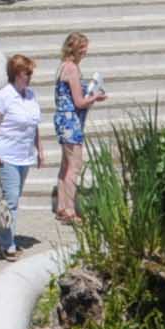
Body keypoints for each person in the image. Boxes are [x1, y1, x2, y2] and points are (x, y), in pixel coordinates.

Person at [0, 52, 43, 258]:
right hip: (6, 155)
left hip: (25, 155)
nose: (29, 76)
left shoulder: (31, 95)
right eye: (27, 73)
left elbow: (34, 125)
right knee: (11, 202)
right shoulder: (3, 96)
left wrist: (39, 149)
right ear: (16, 73)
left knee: (12, 199)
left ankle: (1, 238)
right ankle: (8, 244)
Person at [51, 30, 101, 225]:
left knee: (65, 165)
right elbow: (79, 102)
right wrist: (94, 97)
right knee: (75, 166)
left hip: (62, 119)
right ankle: (70, 210)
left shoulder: (62, 66)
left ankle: (62, 207)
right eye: (82, 48)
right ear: (74, 49)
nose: (85, 52)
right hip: (71, 120)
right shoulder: (72, 68)